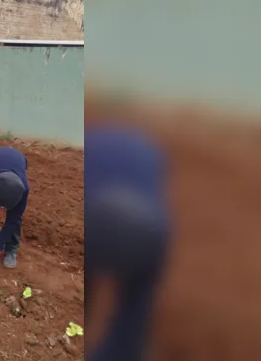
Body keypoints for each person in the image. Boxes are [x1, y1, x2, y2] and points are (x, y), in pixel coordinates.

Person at [84, 124, 169, 361]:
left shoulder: (93, 140)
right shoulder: (148, 147)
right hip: (150, 229)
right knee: (133, 315)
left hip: (99, 220)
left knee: (86, 294)